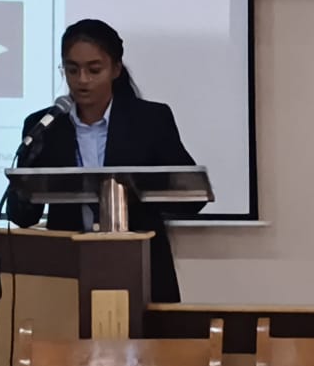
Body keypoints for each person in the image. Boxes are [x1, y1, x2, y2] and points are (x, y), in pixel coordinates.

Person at [10, 19, 203, 303]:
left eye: (94, 70)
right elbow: (23, 216)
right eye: (72, 70)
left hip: (140, 267)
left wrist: (138, 193)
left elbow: (190, 199)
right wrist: (25, 177)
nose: (82, 80)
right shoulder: (45, 126)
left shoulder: (150, 120)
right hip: (69, 271)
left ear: (115, 69)